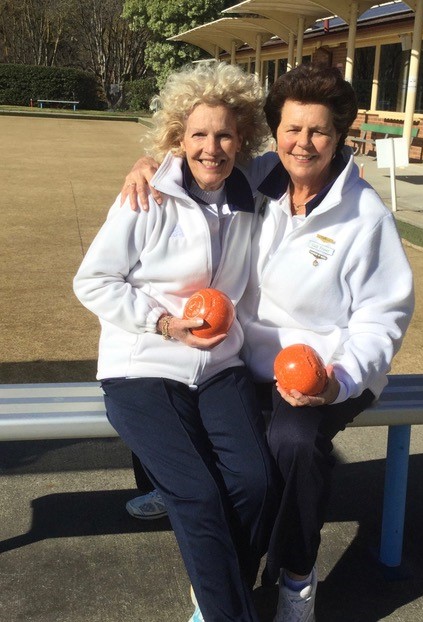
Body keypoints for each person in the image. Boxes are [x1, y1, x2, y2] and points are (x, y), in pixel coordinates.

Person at [120, 63, 415, 622]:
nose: (303, 143)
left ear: (340, 136)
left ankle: (296, 576)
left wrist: (340, 379)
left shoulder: (365, 216)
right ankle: (226, 582)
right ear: (274, 131)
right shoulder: (254, 178)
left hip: (325, 368)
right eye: (292, 129)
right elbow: (196, 161)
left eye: (319, 131)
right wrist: (148, 167)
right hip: (238, 361)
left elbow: (383, 317)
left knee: (293, 444)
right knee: (230, 456)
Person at [73, 61, 280, 622]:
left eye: (224, 135)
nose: (211, 148)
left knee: (258, 482)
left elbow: (321, 161)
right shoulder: (147, 196)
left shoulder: (255, 190)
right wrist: (163, 325)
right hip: (143, 364)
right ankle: (227, 612)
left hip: (218, 364)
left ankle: (216, 591)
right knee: (196, 493)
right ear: (177, 138)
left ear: (244, 139)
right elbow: (91, 281)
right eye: (197, 135)